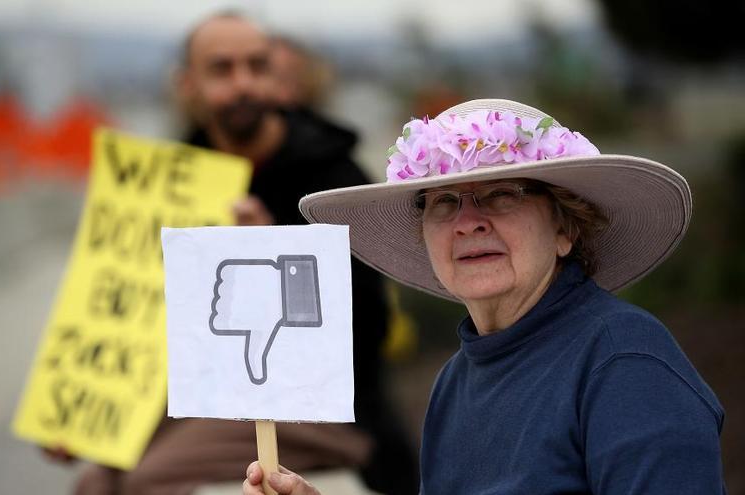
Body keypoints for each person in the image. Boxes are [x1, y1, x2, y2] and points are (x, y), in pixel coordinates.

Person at [244, 98, 726, 494]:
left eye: (502, 195)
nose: (468, 221)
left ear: (565, 229)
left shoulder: (624, 361)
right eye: (445, 202)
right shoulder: (456, 379)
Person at [51, 12, 419, 495]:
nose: (243, 83)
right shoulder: (173, 178)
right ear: (188, 84)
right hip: (212, 394)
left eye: (257, 66)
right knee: (96, 480)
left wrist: (272, 254)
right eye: (222, 69)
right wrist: (82, 415)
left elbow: (370, 330)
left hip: (318, 409)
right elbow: (133, 316)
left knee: (145, 483)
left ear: (278, 76)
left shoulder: (333, 177)